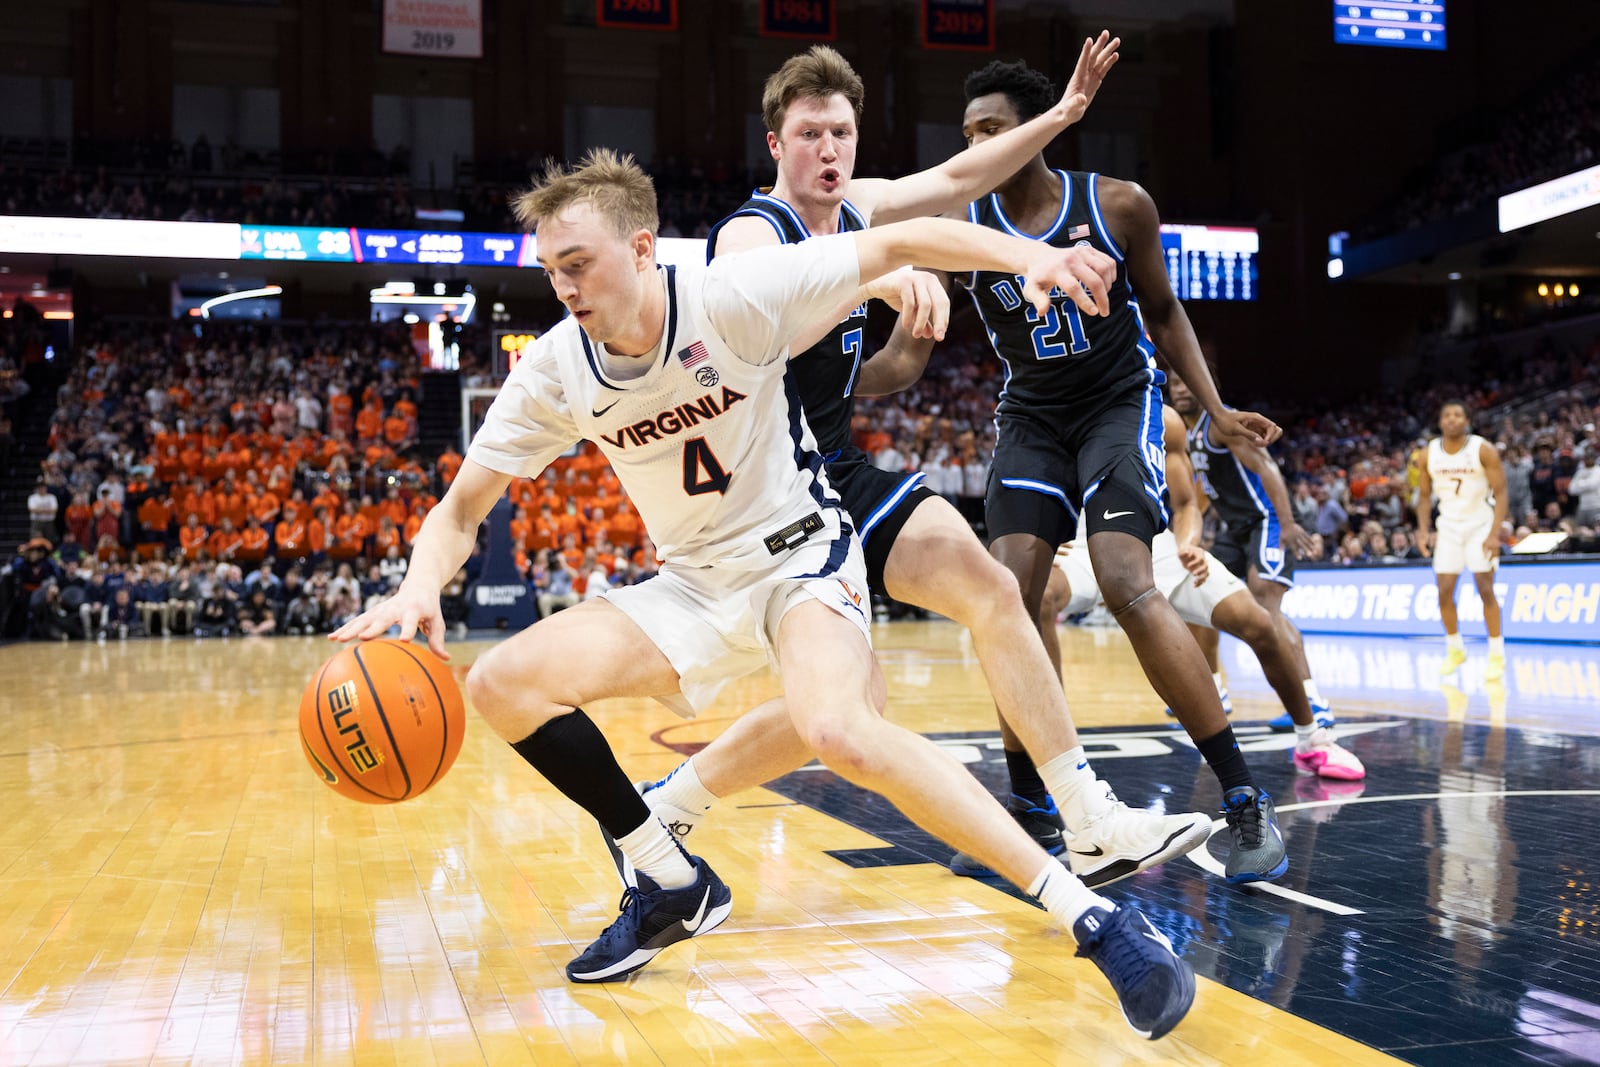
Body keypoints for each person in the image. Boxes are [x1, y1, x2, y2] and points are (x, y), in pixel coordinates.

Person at [333, 149, 1195, 1038]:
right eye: (551, 270)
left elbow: (903, 236)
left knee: (839, 725)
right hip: (693, 583)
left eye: (579, 264)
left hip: (799, 556)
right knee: (498, 684)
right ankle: (666, 875)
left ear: (640, 249)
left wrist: (1033, 258)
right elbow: (462, 506)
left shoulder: (728, 293)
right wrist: (416, 586)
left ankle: (1095, 919)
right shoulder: (555, 367)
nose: (564, 287)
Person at [635, 37, 1210, 889]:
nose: (828, 151)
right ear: (775, 145)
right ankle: (674, 801)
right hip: (762, 501)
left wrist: (1060, 116)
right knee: (845, 709)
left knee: (988, 588)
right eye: (808, 135)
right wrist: (872, 278)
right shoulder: (751, 234)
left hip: (833, 471)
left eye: (840, 133)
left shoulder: (863, 208)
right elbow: (765, 327)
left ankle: (1088, 819)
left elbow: (954, 184)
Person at [939, 59, 1288, 882]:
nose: (976, 145)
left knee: (1126, 577)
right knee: (1005, 594)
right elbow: (912, 337)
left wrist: (1218, 409)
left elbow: (1165, 313)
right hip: (1030, 413)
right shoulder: (963, 222)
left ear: (1035, 129)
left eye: (990, 129)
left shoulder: (1118, 203)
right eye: (968, 135)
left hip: (1116, 399)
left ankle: (1243, 798)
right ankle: (1032, 804)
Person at [1042, 404, 1365, 782]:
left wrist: (1189, 543)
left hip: (1158, 545)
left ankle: (1313, 739)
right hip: (1082, 544)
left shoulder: (1162, 418)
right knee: (1037, 598)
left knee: (1259, 622)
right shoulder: (1055, 403)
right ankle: (1059, 768)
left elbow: (1185, 505)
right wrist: (1046, 537)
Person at [1168, 371, 1338, 735]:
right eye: (1175, 383)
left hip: (1267, 520)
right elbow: (1206, 490)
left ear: (1205, 386)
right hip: (1235, 528)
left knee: (1266, 606)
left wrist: (1289, 523)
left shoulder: (1222, 423)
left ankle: (1312, 702)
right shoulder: (1188, 431)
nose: (1180, 388)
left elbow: (1266, 467)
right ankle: (1213, 690)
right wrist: (1192, 528)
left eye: (1186, 381)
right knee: (1196, 593)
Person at [1416, 400, 1508, 681]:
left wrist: (1494, 534)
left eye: (1458, 415)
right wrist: (1423, 530)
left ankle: (1496, 653)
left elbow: (1502, 493)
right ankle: (1454, 647)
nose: (1452, 419)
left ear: (1467, 420)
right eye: (1447, 415)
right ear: (1440, 421)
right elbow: (1422, 495)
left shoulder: (1482, 449)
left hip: (1479, 525)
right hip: (1448, 528)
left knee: (1485, 587)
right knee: (1444, 591)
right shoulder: (1428, 453)